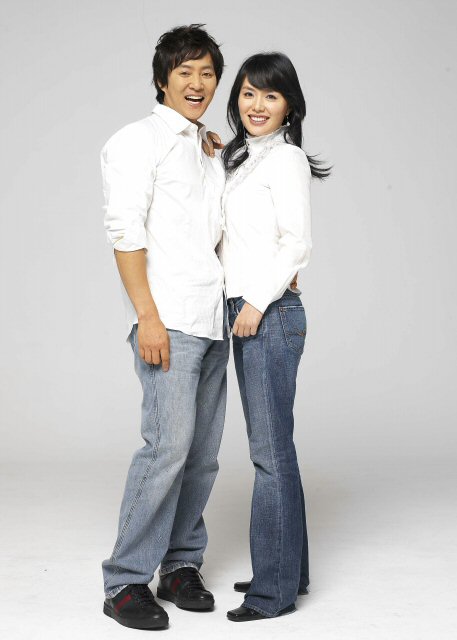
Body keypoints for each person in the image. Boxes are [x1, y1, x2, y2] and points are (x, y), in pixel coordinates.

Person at [100, 24, 230, 630]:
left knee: (201, 456)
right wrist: (146, 318)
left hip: (212, 317)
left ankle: (180, 566)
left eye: (207, 73)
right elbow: (125, 233)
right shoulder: (136, 141)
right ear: (162, 80)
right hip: (168, 319)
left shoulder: (207, 149)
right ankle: (125, 581)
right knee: (167, 449)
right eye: (185, 72)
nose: (197, 83)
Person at [218, 52, 330, 622]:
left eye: (270, 95)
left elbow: (296, 243)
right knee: (276, 451)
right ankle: (289, 572)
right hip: (250, 308)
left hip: (268, 313)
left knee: (269, 455)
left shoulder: (285, 159)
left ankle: (272, 593)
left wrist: (258, 302)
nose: (257, 105)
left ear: (290, 105)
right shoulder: (243, 158)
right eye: (248, 93)